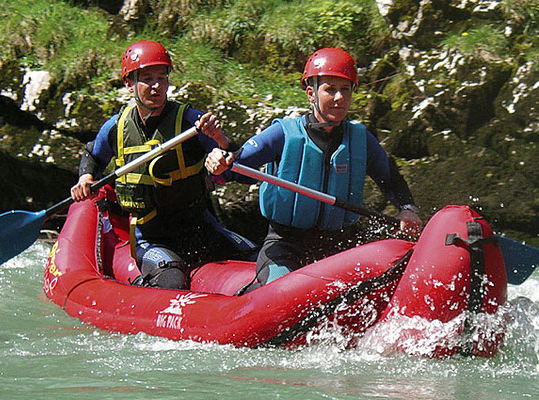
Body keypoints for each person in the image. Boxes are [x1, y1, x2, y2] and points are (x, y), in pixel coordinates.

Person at [205, 47, 422, 290]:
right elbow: (235, 168)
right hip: (286, 246)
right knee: (282, 290)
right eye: (330, 89)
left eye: (345, 89)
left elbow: (391, 179)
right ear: (311, 94)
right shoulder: (283, 133)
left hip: (341, 246)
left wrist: (407, 209)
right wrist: (219, 162)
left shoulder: (361, 140)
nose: (339, 98)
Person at [70, 40, 256, 289]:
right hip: (152, 237)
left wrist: (221, 142)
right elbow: (93, 156)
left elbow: (240, 166)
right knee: (171, 279)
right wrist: (85, 178)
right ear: (129, 84)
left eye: (162, 78)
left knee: (260, 259)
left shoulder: (192, 121)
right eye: (147, 79)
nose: (157, 86)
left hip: (200, 228)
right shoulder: (116, 127)